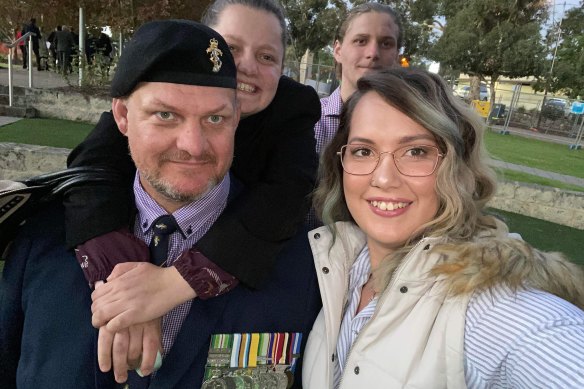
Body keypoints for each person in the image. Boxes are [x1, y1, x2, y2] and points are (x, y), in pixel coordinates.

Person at [0, 19, 321, 388]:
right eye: (165, 115)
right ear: (122, 117)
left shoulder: (306, 266)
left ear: (236, 120)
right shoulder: (42, 243)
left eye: (215, 118)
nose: (193, 145)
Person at [302, 68, 584, 388]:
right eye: (363, 151)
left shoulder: (489, 306)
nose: (383, 178)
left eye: (416, 151)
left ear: (457, 168)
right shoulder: (341, 264)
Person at [66, 0, 319, 303]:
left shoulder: (292, 109)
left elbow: (286, 196)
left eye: (266, 56)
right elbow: (90, 171)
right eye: (230, 48)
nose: (247, 67)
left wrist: (178, 281)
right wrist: (121, 278)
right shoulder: (147, 96)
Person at [315, 3, 402, 155]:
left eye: (386, 44)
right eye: (361, 41)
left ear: (396, 56)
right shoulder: (310, 122)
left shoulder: (411, 125)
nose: (373, 53)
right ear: (338, 50)